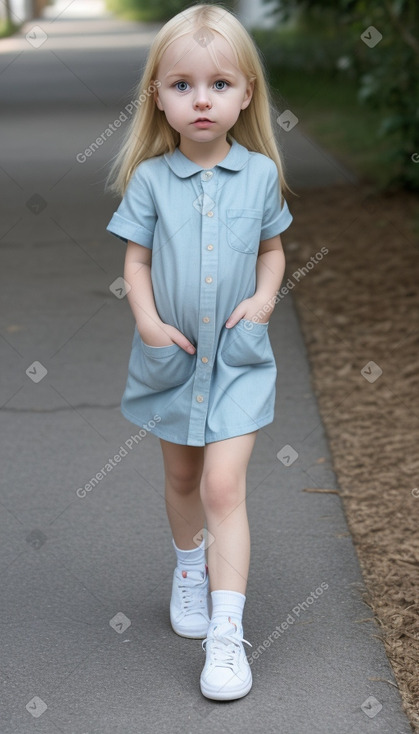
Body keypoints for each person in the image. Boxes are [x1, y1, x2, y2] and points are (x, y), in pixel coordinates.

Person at [105, 2, 293, 701]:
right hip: (174, 358)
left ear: (246, 94)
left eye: (218, 84)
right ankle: (189, 566)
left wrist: (264, 299)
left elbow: (273, 253)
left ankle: (225, 631)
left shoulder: (259, 177)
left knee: (222, 486)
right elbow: (135, 265)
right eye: (181, 84)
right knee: (184, 481)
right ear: (158, 94)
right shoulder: (152, 179)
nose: (201, 98)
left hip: (239, 361)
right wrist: (149, 323)